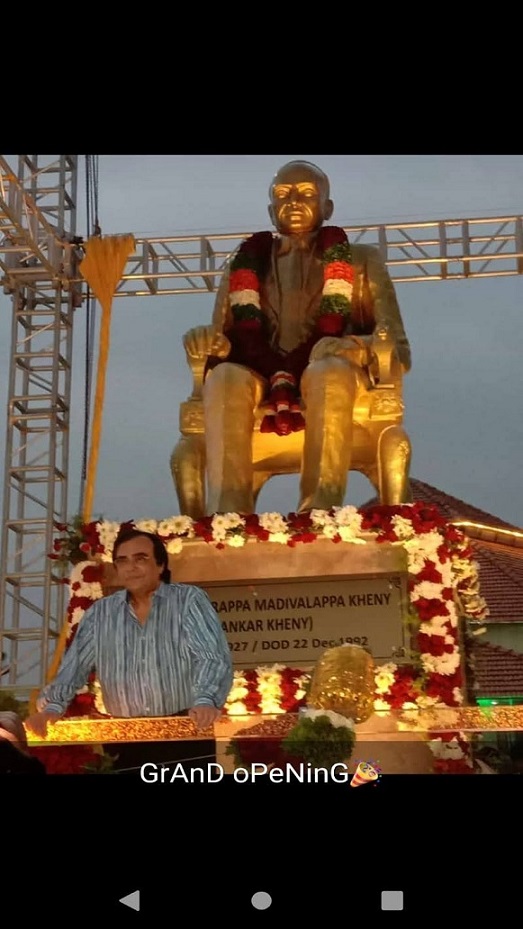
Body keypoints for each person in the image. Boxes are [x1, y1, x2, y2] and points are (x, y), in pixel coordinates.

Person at [183, 159, 411, 515]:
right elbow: (223, 342)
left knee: (327, 372)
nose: (292, 201)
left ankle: (319, 511)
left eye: (306, 193)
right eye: (283, 194)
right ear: (270, 210)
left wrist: (350, 347)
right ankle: (229, 518)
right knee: (224, 377)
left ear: (327, 207)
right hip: (260, 374)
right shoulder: (244, 264)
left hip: (339, 372)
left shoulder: (361, 260)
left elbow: (397, 346)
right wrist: (206, 341)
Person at [24, 528, 233, 772]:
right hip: (123, 739)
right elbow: (74, 666)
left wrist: (206, 699)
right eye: (122, 561)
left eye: (140, 559)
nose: (130, 568)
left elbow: (212, 657)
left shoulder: (187, 600)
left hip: (185, 734)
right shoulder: (101, 613)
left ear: (161, 565)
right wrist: (52, 708)